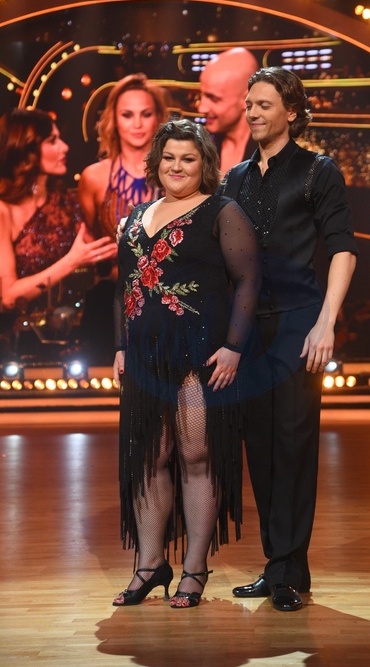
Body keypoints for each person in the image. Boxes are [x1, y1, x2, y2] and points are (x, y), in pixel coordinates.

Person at [219, 67, 358, 611]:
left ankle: (285, 572)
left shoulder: (318, 170)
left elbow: (342, 247)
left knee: (294, 444)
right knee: (259, 445)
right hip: (248, 329)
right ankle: (282, 565)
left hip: (299, 324)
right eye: (249, 104)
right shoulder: (234, 178)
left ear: (291, 112)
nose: (252, 112)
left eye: (264, 104)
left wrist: (327, 321)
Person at [112, 119, 260, 609]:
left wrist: (234, 346)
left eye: (188, 159)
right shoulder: (136, 217)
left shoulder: (222, 211)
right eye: (169, 158)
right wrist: (120, 345)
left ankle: (195, 568)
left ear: (204, 164)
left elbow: (248, 281)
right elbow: (124, 287)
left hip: (200, 354)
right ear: (156, 163)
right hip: (144, 357)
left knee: (196, 455)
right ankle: (150, 565)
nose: (177, 167)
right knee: (148, 458)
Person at [0, 108, 118, 311]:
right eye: (52, 141)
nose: (65, 147)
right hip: (23, 327)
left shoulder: (62, 198)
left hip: (73, 321)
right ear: (27, 149)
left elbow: (98, 259)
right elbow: (9, 297)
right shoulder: (3, 209)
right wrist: (72, 261)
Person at [78, 73, 168, 241]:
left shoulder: (177, 172)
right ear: (114, 119)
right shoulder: (93, 177)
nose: (137, 124)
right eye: (127, 115)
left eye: (146, 114)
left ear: (158, 117)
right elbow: (83, 243)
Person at [198, 48, 258, 173]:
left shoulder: (275, 155)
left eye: (213, 98)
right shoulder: (201, 149)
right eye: (201, 96)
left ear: (246, 99)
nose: (201, 108)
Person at [78, 259, 116, 365]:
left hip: (96, 334)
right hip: (114, 332)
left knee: (97, 362)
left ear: (96, 271)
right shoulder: (117, 291)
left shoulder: (92, 292)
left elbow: (87, 315)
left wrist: (83, 336)